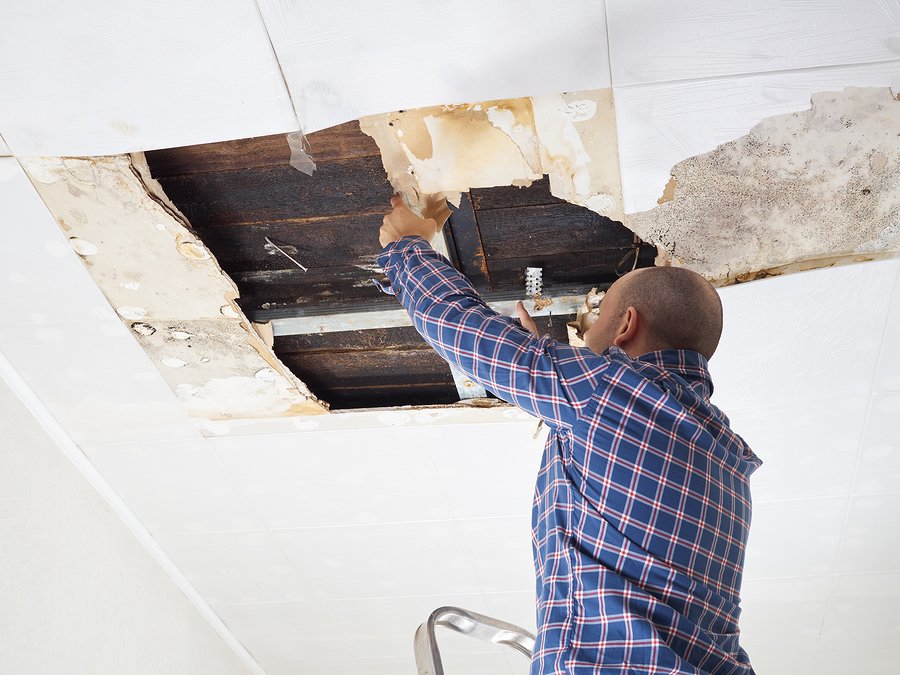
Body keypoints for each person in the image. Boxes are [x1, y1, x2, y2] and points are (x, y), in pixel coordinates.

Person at [378, 195, 762, 674]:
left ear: (625, 325)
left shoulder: (605, 396)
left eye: (598, 319)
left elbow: (457, 326)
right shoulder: (724, 458)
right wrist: (561, 386)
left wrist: (407, 246)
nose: (590, 331)